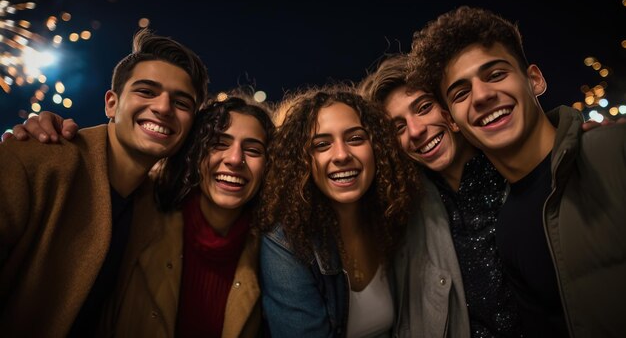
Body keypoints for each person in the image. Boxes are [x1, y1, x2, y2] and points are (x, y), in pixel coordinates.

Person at [407, 5, 626, 337]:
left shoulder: (613, 152)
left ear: (534, 79)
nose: (481, 95)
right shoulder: (508, 228)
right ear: (452, 120)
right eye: (461, 93)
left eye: (495, 74)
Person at [0, 28, 209, 337]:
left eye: (181, 103)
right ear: (111, 103)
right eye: (147, 91)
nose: (163, 108)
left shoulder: (156, 206)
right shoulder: (37, 160)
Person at [359, 53, 522, 337]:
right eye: (398, 127)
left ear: (449, 105)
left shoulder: (518, 172)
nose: (416, 131)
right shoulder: (403, 210)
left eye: (423, 107)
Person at [96, 93, 275, 337]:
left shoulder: (274, 251)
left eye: (253, 150)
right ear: (195, 153)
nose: (235, 159)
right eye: (219, 144)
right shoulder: (142, 214)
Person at [257, 84, 420, 337]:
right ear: (302, 163)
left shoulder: (392, 218)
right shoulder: (286, 242)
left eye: (355, 138)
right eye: (322, 145)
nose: (342, 155)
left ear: (378, 149)